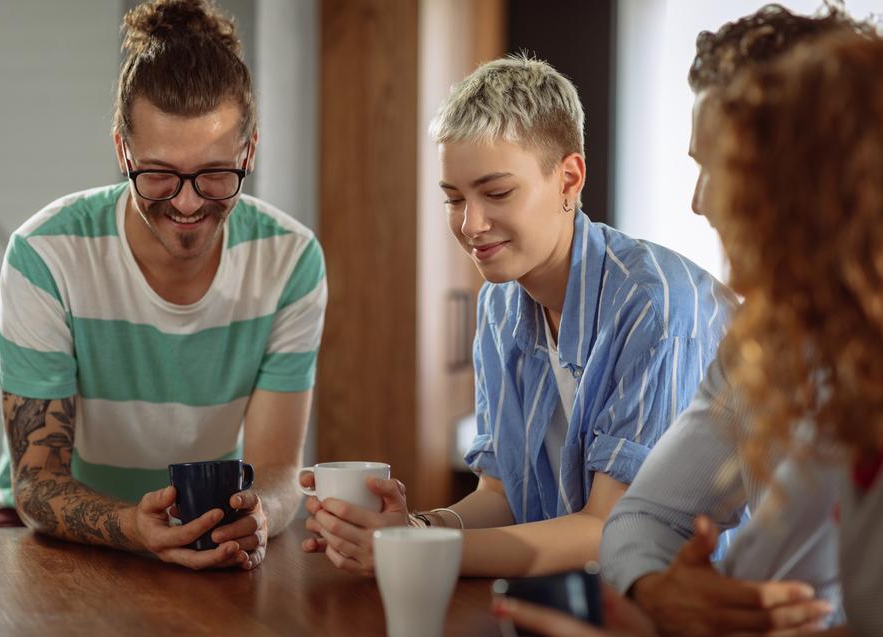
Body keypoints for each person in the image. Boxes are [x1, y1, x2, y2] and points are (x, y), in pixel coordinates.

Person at [499, 24, 883, 637]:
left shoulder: (660, 303)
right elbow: (639, 518)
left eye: (721, 166)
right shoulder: (764, 348)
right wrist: (659, 590)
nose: (699, 203)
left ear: (808, 180)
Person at [302, 54, 733, 577]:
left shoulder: (654, 305)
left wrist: (413, 553)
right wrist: (414, 529)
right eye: (453, 199)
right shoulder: (500, 306)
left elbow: (613, 530)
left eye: (497, 192)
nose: (471, 224)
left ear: (569, 180)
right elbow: (501, 494)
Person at [0, 0, 327, 572]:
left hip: (205, 526)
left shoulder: (289, 260)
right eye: (158, 174)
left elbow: (279, 472)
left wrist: (263, 512)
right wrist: (133, 529)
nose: (187, 203)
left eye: (215, 173)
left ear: (250, 152)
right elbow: (37, 485)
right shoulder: (45, 254)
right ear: (122, 151)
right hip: (52, 533)